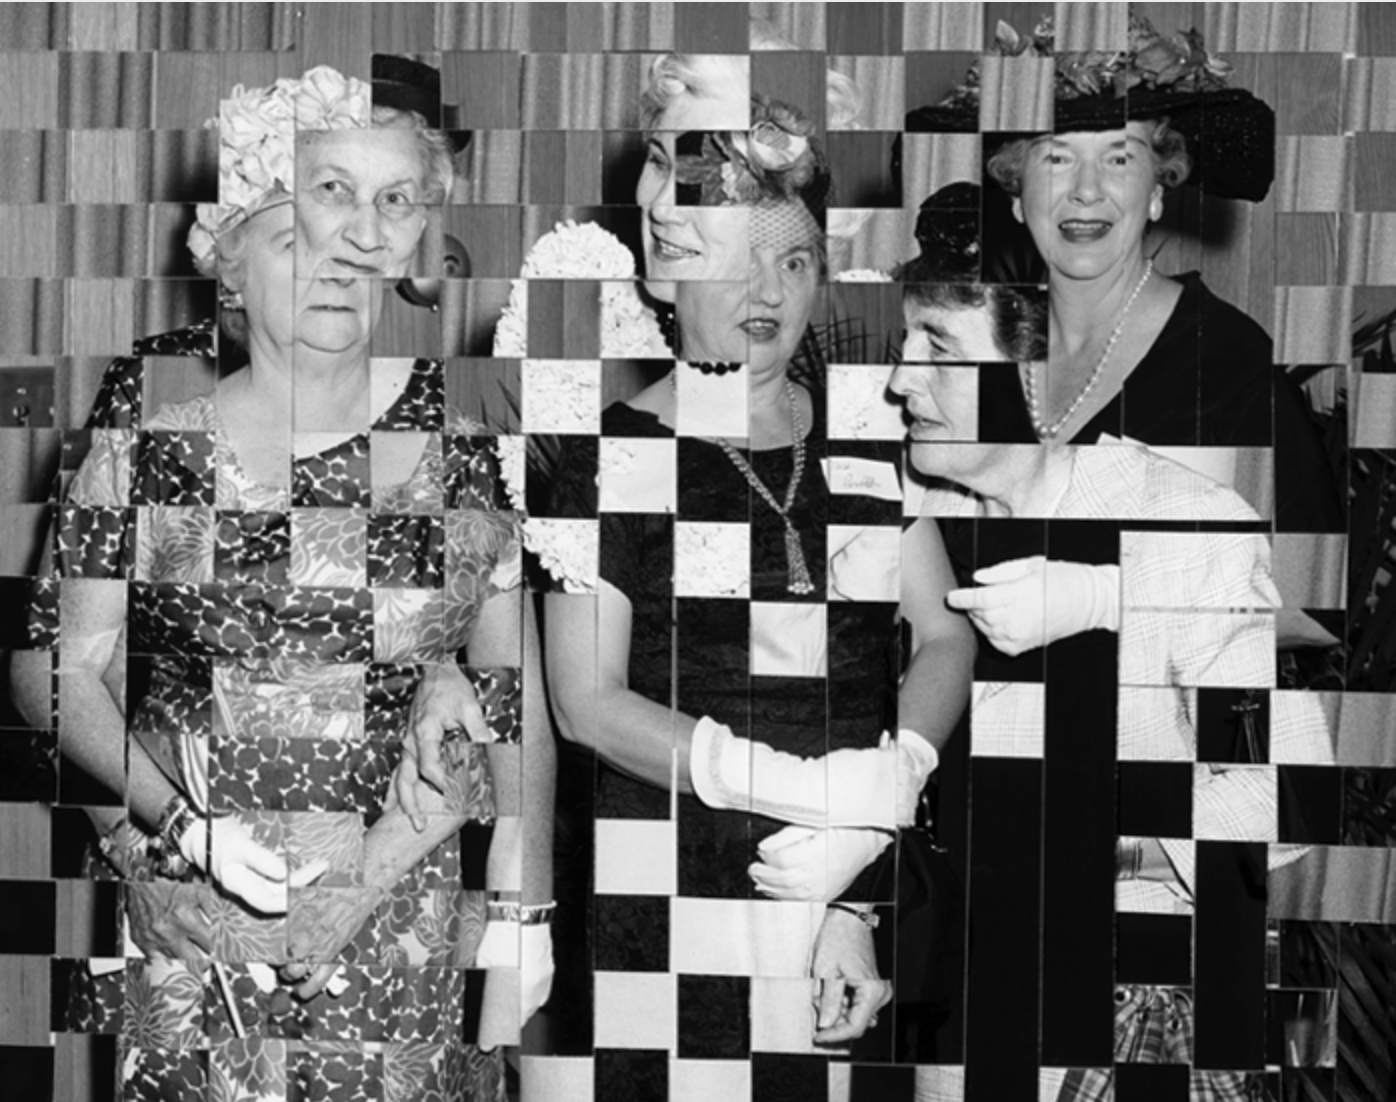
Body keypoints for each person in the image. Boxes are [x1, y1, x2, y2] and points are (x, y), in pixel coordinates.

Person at [12, 61, 553, 1101]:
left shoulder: (459, 438)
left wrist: (422, 879)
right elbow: (61, 670)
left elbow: (507, 695)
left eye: (386, 205)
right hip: (192, 901)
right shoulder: (155, 411)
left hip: (396, 912)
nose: (346, 251)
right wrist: (151, 844)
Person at [540, 55, 973, 1085]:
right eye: (739, 259)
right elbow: (584, 704)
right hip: (666, 889)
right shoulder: (607, 458)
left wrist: (881, 804)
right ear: (672, 267)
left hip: (848, 885)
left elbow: (943, 633)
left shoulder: (868, 432)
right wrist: (799, 790)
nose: (768, 292)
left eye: (794, 260)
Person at [888, 274, 1333, 1100]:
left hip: (1128, 1019)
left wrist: (1106, 841)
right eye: (904, 344)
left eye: (939, 349)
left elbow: (1287, 795)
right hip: (960, 1005)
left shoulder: (1185, 523)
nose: (900, 380)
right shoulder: (914, 505)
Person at [914, 15, 1342, 657]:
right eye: (1057, 157)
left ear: (1158, 190)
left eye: (1119, 158)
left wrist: (1107, 599)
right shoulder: (970, 347)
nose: (1087, 191)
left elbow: (1317, 608)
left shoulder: (1223, 363)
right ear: (1016, 193)